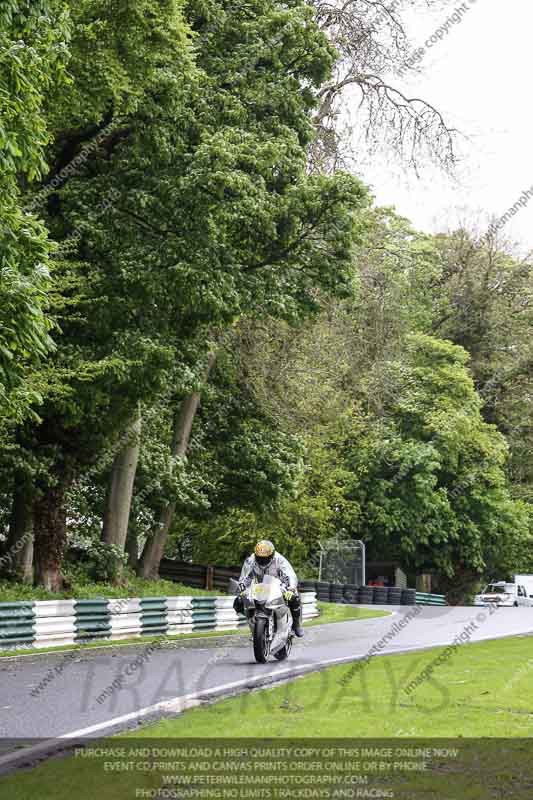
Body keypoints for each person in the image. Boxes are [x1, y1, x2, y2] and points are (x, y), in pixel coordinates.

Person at [233, 540, 304, 637]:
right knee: (239, 601)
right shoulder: (251, 560)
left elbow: (290, 574)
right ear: (256, 555)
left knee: (294, 597)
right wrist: (242, 588)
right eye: (260, 558)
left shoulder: (279, 560)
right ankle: (252, 620)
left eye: (266, 558)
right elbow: (244, 577)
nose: (263, 561)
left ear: (272, 555)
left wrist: (291, 589)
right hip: (258, 587)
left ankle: (296, 625)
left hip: (278, 586)